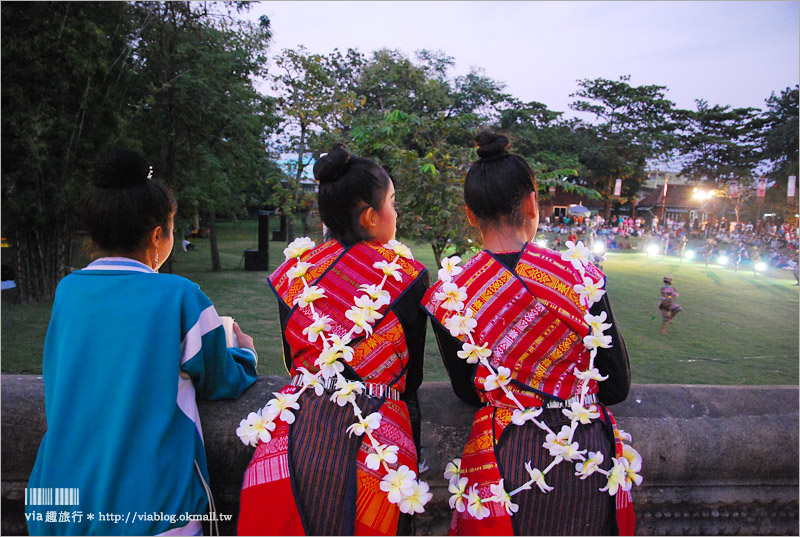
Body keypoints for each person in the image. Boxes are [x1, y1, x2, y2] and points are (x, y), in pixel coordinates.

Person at [25, 149, 259, 536]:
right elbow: (222, 379)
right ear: (157, 235)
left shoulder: (68, 292)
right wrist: (244, 350)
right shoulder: (181, 296)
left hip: (60, 501)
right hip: (151, 507)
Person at [422, 131, 639, 536]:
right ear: (531, 203)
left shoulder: (451, 294)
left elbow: (469, 391)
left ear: (470, 215)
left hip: (503, 455)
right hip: (585, 449)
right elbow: (617, 384)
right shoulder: (578, 276)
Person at [237, 144, 431, 536]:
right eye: (393, 202)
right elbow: (411, 380)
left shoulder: (295, 276)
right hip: (379, 444)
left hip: (292, 440)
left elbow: (296, 364)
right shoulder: (409, 276)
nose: (397, 212)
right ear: (371, 217)